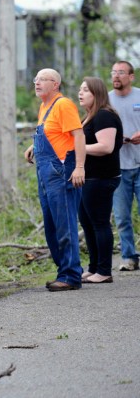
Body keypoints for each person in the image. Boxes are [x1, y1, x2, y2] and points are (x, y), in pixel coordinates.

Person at [24, 68, 86, 292]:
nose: (37, 83)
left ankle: (71, 275)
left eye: (43, 79)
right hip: (46, 175)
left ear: (56, 84)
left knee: (65, 224)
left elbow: (78, 135)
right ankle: (66, 270)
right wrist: (33, 146)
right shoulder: (45, 107)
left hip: (63, 172)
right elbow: (54, 134)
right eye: (36, 79)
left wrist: (79, 167)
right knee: (51, 226)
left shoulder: (63, 105)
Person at [77, 77, 122, 284]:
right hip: (88, 178)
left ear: (97, 93)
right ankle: (94, 267)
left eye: (85, 90)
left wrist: (76, 149)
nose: (80, 93)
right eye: (80, 90)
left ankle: (104, 271)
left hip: (101, 179)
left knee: (99, 223)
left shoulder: (104, 115)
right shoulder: (89, 116)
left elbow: (106, 146)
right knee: (87, 223)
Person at [108, 60, 140, 271]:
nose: (116, 76)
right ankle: (129, 257)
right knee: (121, 216)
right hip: (118, 166)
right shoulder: (106, 100)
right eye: (113, 72)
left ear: (131, 76)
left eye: (121, 72)